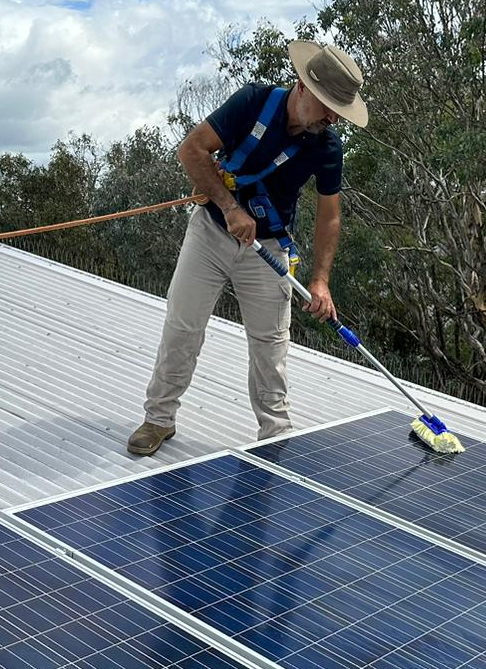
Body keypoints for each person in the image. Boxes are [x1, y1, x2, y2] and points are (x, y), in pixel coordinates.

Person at [127, 40, 370, 455]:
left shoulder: (327, 147)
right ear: (302, 87)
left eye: (338, 111)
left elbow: (330, 215)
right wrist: (228, 207)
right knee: (183, 327)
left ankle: (276, 436)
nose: (331, 117)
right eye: (328, 105)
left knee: (270, 345)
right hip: (212, 232)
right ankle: (159, 418)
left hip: (269, 248)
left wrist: (321, 280)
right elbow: (191, 149)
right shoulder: (254, 102)